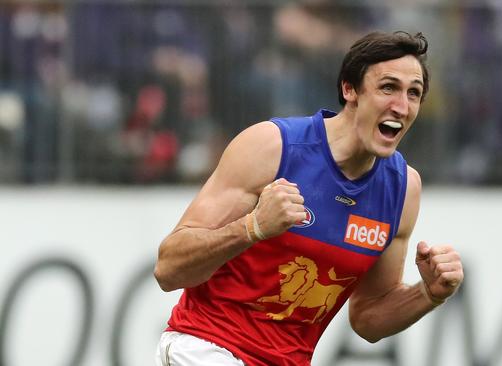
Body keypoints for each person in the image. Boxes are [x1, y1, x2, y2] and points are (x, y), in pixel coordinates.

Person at [153, 30, 464, 366]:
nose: (401, 106)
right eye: (388, 88)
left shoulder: (403, 190)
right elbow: (169, 269)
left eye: (414, 93)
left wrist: (428, 293)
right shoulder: (272, 147)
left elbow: (368, 319)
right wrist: (252, 227)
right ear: (349, 89)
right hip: (206, 347)